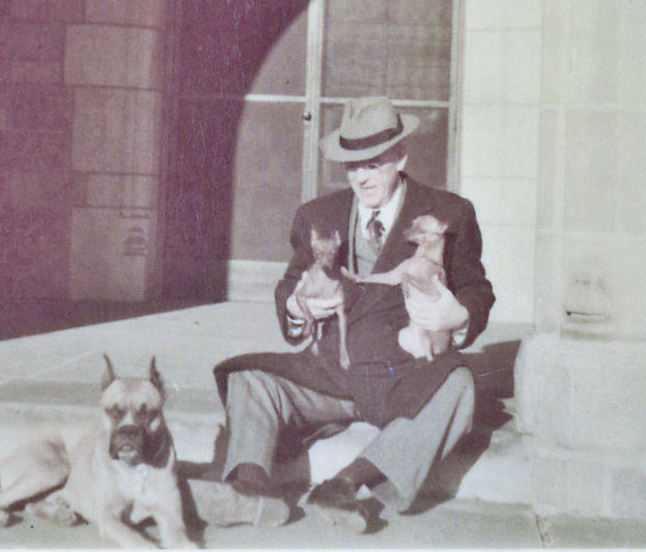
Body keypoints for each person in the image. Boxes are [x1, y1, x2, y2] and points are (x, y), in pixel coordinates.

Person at [211, 95, 495, 532]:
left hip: (405, 373)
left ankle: (344, 486)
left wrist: (455, 315)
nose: (361, 177)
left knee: (458, 386)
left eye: (373, 163)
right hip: (332, 372)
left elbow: (477, 290)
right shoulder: (315, 216)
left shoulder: (449, 214)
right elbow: (290, 284)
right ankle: (248, 491)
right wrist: (296, 304)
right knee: (251, 378)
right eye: (351, 165)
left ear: (400, 156)